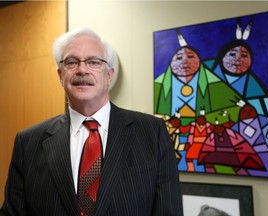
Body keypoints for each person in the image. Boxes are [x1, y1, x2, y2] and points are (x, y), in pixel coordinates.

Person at [0, 27, 183, 216]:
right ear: (60, 76)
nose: (82, 69)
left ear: (109, 74)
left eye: (93, 62)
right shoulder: (28, 142)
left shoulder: (152, 133)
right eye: (71, 62)